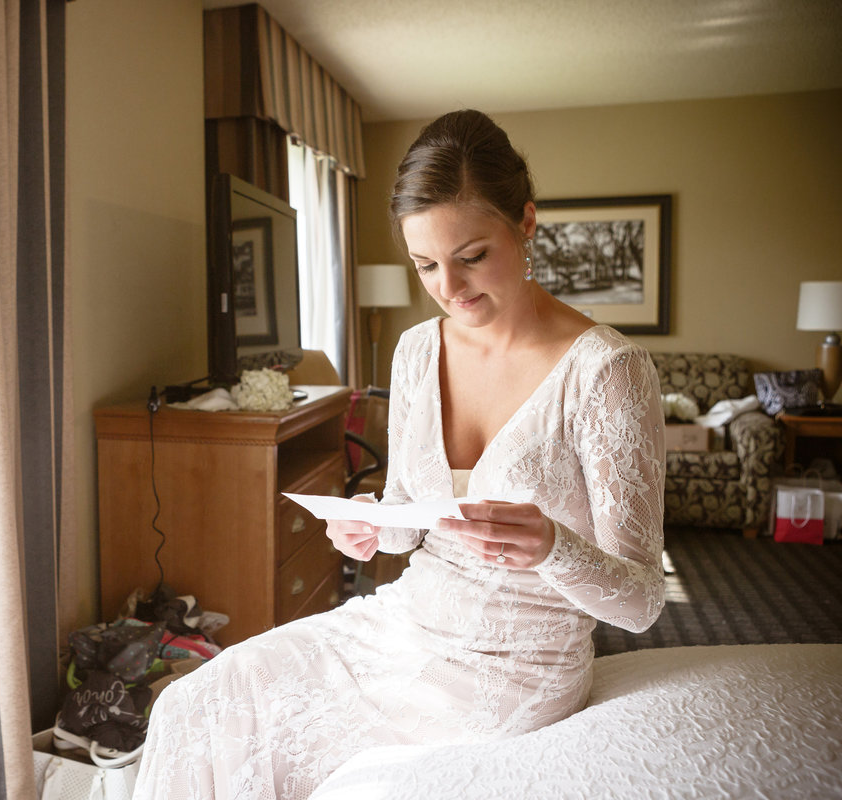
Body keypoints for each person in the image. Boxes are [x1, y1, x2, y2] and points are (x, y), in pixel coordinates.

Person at [132, 109, 666, 800]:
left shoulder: (606, 371)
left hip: (516, 670)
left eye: (472, 255)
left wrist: (553, 547)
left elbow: (644, 601)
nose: (449, 286)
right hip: (404, 625)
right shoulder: (418, 350)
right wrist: (364, 527)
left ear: (526, 222)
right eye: (425, 265)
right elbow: (409, 520)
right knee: (194, 704)